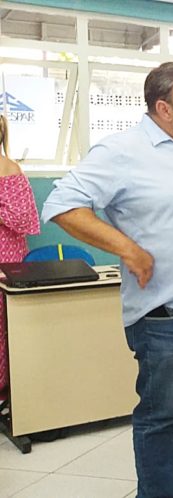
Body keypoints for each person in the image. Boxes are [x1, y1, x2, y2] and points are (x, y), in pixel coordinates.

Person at [42, 62, 173, 498]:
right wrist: (127, 248)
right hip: (169, 312)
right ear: (163, 109)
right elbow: (62, 204)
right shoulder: (123, 151)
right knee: (161, 416)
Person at [0, 115, 41, 402]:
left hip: (6, 255)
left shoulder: (10, 169)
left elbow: (23, 218)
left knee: (5, 320)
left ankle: (5, 387)